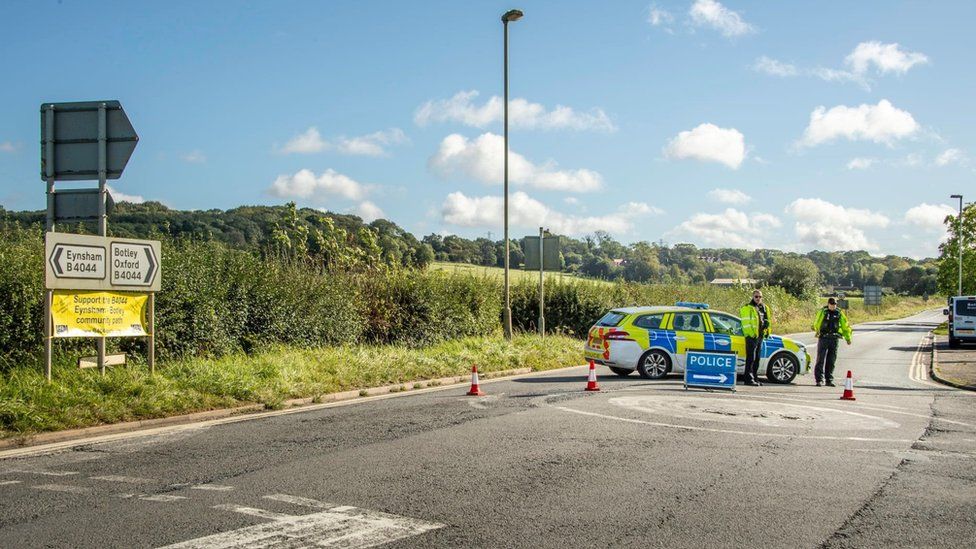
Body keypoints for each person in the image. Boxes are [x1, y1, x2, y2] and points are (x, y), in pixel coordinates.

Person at [812, 297, 853, 387]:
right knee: (820, 359)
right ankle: (819, 380)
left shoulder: (839, 313)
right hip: (824, 338)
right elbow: (817, 322)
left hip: (834, 339)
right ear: (828, 304)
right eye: (831, 304)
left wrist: (848, 338)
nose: (833, 306)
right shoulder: (823, 311)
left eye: (834, 304)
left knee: (831, 360)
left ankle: (829, 380)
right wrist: (817, 330)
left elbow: (845, 326)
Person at [739, 289, 771, 386]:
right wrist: (751, 334)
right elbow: (746, 323)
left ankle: (755, 378)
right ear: (753, 297)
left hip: (760, 336)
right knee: (751, 358)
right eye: (756, 296)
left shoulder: (763, 307)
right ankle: (748, 379)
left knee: (757, 358)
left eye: (760, 297)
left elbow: (766, 320)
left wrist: (766, 329)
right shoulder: (748, 307)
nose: (758, 298)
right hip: (751, 336)